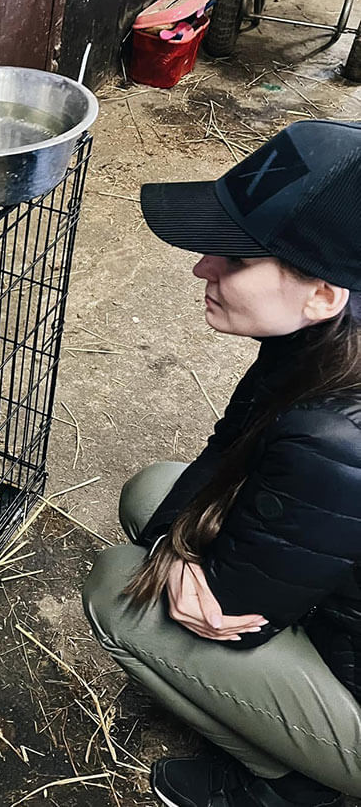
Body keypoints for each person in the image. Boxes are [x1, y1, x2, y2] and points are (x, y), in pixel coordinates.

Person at [81, 119, 361, 807]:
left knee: (120, 591)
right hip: (333, 590)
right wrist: (178, 539)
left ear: (322, 290)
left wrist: (179, 557)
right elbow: (228, 441)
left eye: (235, 258)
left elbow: (233, 615)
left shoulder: (335, 442)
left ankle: (297, 788)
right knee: (153, 495)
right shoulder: (327, 325)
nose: (201, 265)